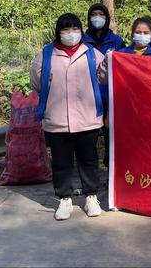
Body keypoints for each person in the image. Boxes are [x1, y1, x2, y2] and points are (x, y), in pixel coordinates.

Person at [30, 13, 104, 221]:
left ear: (81, 30)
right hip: (57, 119)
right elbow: (36, 82)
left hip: (86, 118)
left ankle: (91, 197)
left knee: (88, 160)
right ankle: (64, 199)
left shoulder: (91, 52)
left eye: (75, 29)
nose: (71, 34)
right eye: (66, 29)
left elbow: (104, 77)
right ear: (58, 32)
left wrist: (110, 60)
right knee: (61, 162)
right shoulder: (46, 54)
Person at [82, 3, 125, 168]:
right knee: (89, 135)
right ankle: (90, 168)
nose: (97, 18)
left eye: (101, 14)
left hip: (111, 96)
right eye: (94, 14)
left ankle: (110, 168)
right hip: (89, 96)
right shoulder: (83, 40)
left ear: (107, 18)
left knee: (110, 134)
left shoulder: (117, 41)